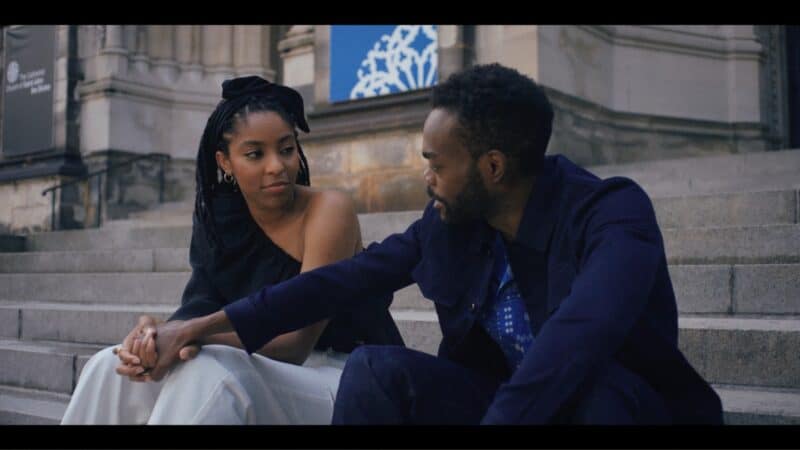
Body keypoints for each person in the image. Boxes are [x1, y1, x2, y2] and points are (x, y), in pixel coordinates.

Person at [138, 64, 723, 424]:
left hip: (615, 409)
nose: (427, 179)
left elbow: (579, 337)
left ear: (492, 166)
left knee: (600, 392)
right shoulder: (449, 223)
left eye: (436, 164)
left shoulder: (612, 215)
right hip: (502, 402)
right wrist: (194, 328)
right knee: (373, 370)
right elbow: (334, 282)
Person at [60, 76, 404, 425]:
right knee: (109, 365)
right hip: (256, 365)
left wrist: (190, 333)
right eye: (255, 154)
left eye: (286, 149)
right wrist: (153, 337)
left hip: (346, 377)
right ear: (224, 162)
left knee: (209, 375)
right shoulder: (221, 219)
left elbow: (296, 343)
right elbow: (200, 305)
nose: (277, 166)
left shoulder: (329, 211)